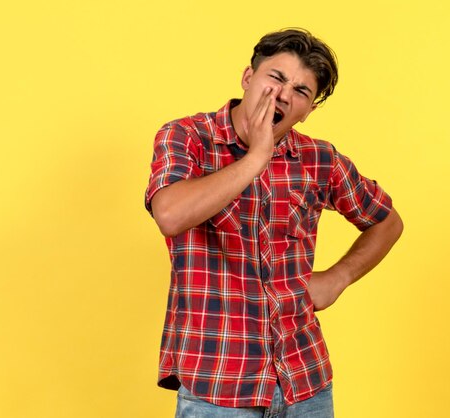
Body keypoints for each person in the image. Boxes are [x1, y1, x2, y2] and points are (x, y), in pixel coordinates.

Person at [144, 28, 403, 418]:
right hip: (218, 388)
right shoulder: (187, 136)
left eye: (301, 91)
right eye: (276, 78)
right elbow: (170, 215)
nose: (283, 95)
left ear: (308, 110)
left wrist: (338, 277)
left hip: (305, 382)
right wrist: (256, 157)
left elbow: (387, 221)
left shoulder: (319, 160)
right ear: (248, 78)